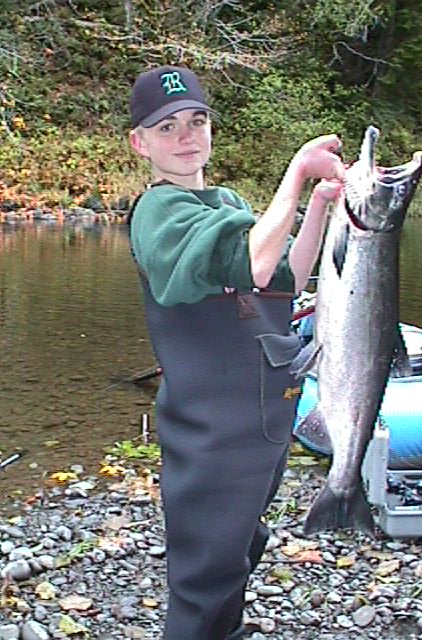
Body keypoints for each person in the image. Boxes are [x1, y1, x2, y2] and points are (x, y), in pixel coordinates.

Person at [127, 65, 344, 640]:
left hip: (265, 414)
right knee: (205, 569)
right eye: (167, 127)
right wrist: (296, 174)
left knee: (241, 548)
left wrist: (319, 204)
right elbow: (251, 261)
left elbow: (285, 276)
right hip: (212, 426)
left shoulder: (226, 202)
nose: (186, 136)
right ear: (140, 142)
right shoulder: (158, 213)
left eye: (196, 121)